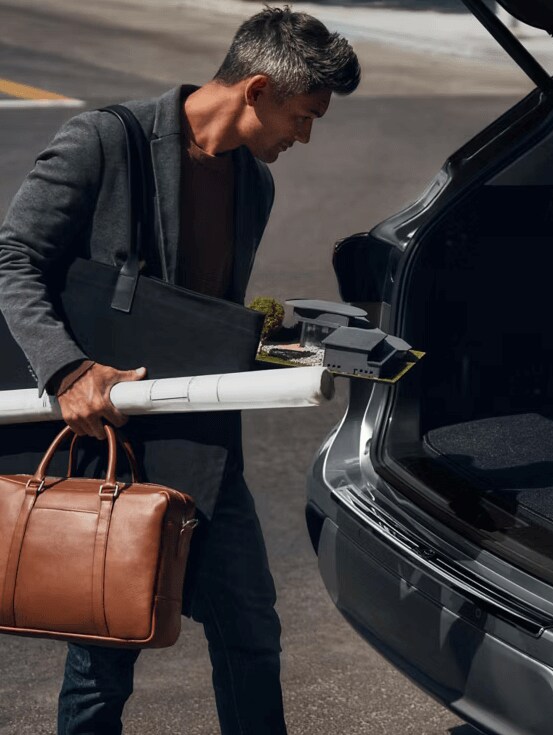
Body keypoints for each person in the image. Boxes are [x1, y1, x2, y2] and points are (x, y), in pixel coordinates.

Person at [0, 7, 360, 734]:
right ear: (256, 89)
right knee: (105, 654)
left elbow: (192, 309)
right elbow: (13, 259)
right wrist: (66, 370)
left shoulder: (253, 185)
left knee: (250, 630)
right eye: (303, 116)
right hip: (109, 441)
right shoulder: (107, 141)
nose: (304, 136)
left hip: (201, 447)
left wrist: (268, 342)